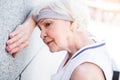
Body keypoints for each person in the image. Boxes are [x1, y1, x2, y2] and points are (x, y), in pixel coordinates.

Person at [6, 0, 114, 80]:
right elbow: (45, 8)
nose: (42, 35)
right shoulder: (88, 42)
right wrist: (27, 27)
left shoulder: (85, 73)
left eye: (48, 24)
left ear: (72, 22)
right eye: (40, 29)